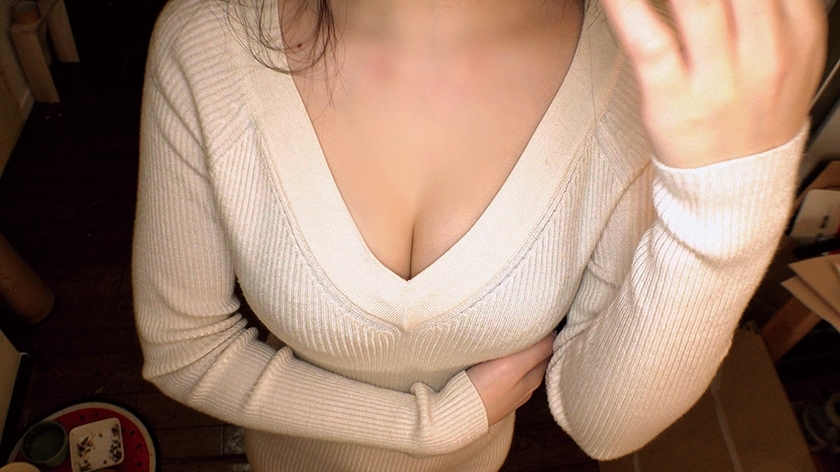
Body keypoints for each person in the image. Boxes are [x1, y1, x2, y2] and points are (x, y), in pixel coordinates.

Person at [132, 0, 827, 470]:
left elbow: (604, 423)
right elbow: (188, 352)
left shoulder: (647, 75)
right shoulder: (206, 42)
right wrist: (430, 426)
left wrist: (723, 221)